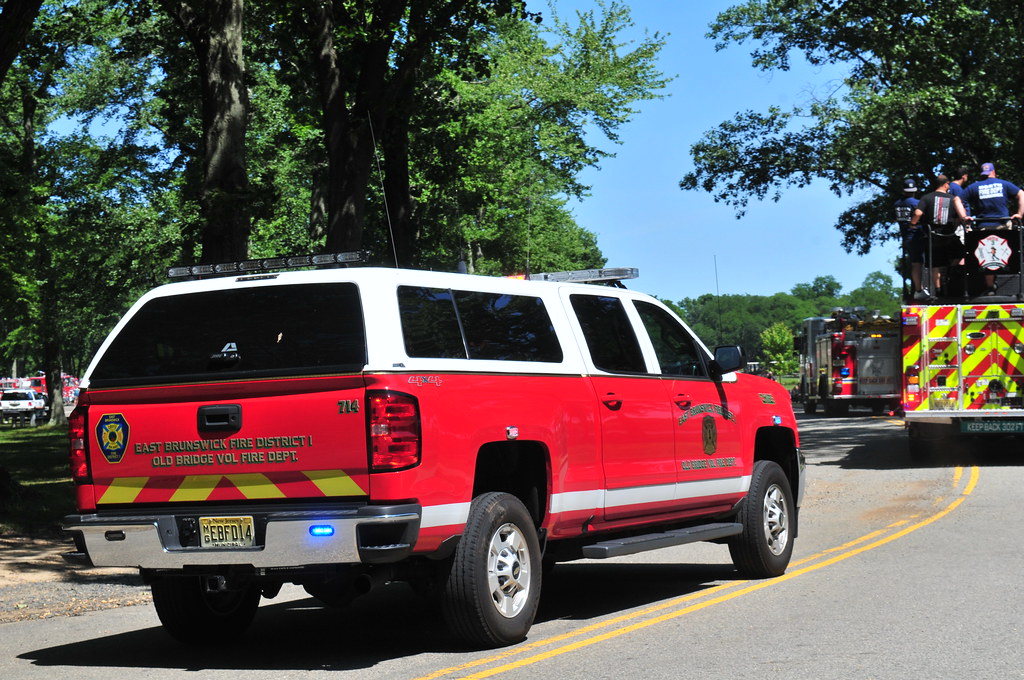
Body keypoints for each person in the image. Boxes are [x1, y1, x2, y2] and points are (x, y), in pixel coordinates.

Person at [964, 162, 1024, 293]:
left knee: (987, 258)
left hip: (984, 226)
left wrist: (965, 216)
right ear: (994, 172)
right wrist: (1019, 214)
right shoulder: (1004, 184)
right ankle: (1013, 284)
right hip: (1003, 224)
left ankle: (990, 286)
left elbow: (958, 198)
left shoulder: (975, 186)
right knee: (1010, 253)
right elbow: (1021, 194)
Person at [908, 174, 969, 300]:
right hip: (950, 236)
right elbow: (960, 217)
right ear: (946, 184)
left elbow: (918, 212)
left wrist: (913, 223)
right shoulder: (953, 198)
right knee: (962, 253)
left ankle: (938, 289)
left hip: (933, 237)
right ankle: (951, 274)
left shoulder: (926, 198)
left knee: (935, 264)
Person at [893, 178, 923, 298]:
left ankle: (917, 290)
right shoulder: (917, 203)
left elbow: (894, 218)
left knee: (914, 263)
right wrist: (913, 223)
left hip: (906, 237)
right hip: (917, 235)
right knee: (921, 264)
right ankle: (921, 290)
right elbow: (919, 214)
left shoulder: (897, 204)